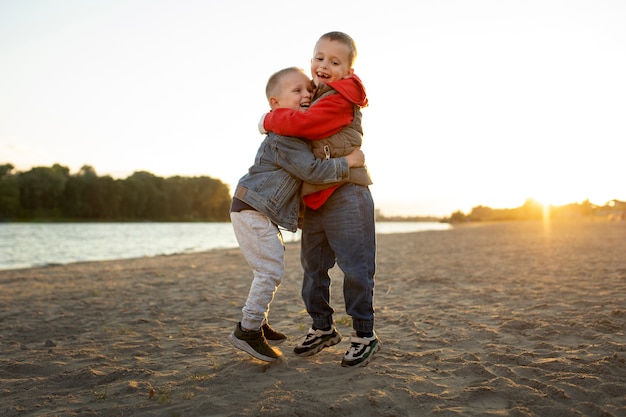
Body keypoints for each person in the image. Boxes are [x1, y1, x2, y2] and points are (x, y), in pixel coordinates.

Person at [228, 66, 366, 363]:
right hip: (252, 209)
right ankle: (248, 328)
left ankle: (258, 320)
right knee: (269, 270)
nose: (306, 94)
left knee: (269, 267)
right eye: (297, 91)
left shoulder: (293, 134)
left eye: (309, 90)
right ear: (275, 105)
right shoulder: (284, 138)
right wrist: (349, 162)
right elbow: (312, 171)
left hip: (256, 210)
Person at [260, 32, 379, 367]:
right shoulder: (316, 96)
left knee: (356, 269)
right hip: (316, 198)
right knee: (313, 270)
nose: (323, 65)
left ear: (347, 70)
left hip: (347, 194)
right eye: (319, 57)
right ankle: (323, 328)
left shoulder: (340, 98)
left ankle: (364, 334)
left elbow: (307, 126)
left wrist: (267, 119)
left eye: (334, 61)